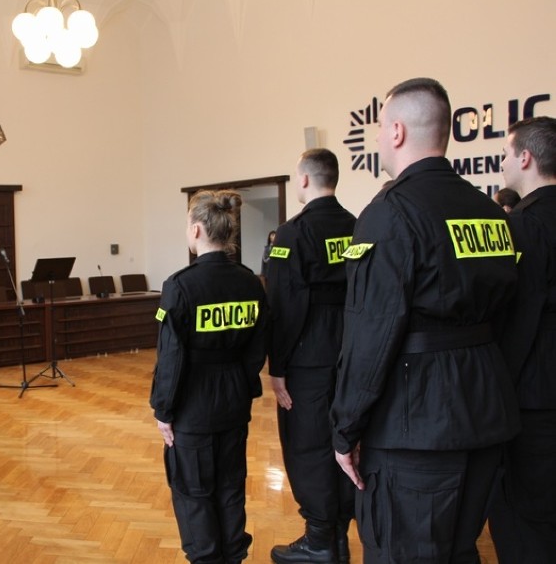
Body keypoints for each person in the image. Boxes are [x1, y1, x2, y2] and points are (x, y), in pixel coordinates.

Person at [328, 77, 520, 563]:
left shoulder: (390, 213)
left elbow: (370, 333)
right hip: (485, 410)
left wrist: (345, 429)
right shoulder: (489, 211)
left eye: (378, 127)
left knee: (402, 552)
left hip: (416, 424)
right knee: (459, 550)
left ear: (395, 132)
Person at [150, 189, 269, 563]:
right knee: (230, 485)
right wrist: (241, 383)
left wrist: (163, 410)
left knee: (194, 490)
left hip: (193, 407)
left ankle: (205, 557)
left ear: (198, 229)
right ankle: (233, 554)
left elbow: (171, 356)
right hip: (234, 402)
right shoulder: (250, 282)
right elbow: (258, 345)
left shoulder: (180, 286)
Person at [266, 149, 356, 564]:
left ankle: (320, 538)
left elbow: (286, 306)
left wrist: (278, 367)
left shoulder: (292, 233)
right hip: (352, 354)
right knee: (345, 439)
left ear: (303, 180)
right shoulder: (358, 225)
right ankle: (338, 533)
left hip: (308, 358)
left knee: (307, 445)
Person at [488, 116, 556, 562]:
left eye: (509, 153)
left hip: (534, 395)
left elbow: (516, 320)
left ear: (525, 158)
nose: (506, 162)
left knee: (523, 517)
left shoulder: (523, 227)